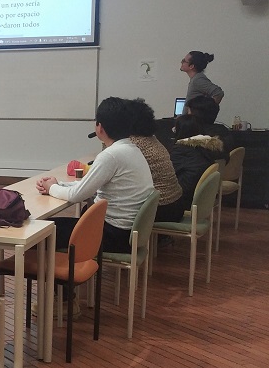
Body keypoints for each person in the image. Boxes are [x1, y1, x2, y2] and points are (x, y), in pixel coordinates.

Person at [36, 97, 154, 254]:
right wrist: (59, 184)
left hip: (112, 235)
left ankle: (57, 277)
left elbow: (77, 195)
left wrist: (51, 188)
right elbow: (89, 184)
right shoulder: (132, 149)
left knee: (40, 232)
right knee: (54, 225)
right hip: (126, 232)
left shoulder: (111, 156)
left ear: (100, 128)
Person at [126, 99, 185, 223]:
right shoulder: (152, 139)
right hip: (175, 204)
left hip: (160, 209)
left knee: (95, 209)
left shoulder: (133, 145)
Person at [170, 114, 225, 202]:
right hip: (202, 197)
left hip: (183, 197)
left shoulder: (181, 150)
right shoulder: (209, 148)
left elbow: (168, 173)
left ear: (181, 131)